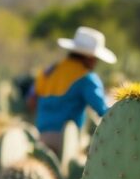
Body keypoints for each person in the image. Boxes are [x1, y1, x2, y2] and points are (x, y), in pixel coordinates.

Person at [26, 26, 115, 156]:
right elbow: (103, 110)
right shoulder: (87, 78)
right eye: (96, 59)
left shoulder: (49, 71)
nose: (96, 63)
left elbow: (31, 100)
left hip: (40, 138)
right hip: (66, 142)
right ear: (90, 57)